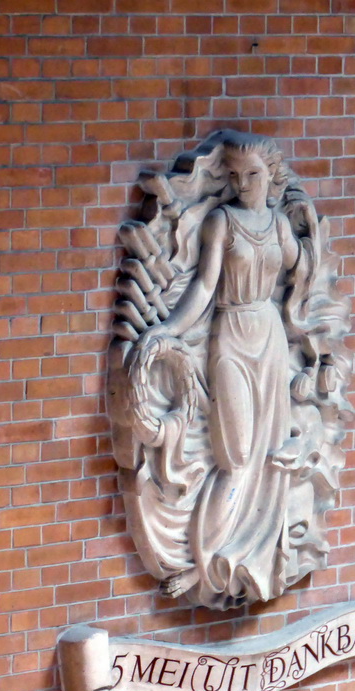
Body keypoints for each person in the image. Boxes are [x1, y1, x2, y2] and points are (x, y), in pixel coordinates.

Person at [133, 132, 316, 607]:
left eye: (252, 174)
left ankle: (257, 562)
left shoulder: (278, 226)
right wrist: (168, 330)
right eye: (234, 175)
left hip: (271, 339)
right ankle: (207, 563)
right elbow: (204, 287)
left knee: (269, 454)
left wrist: (306, 218)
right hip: (232, 336)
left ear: (270, 174)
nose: (243, 183)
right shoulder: (222, 221)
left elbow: (304, 267)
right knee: (234, 456)